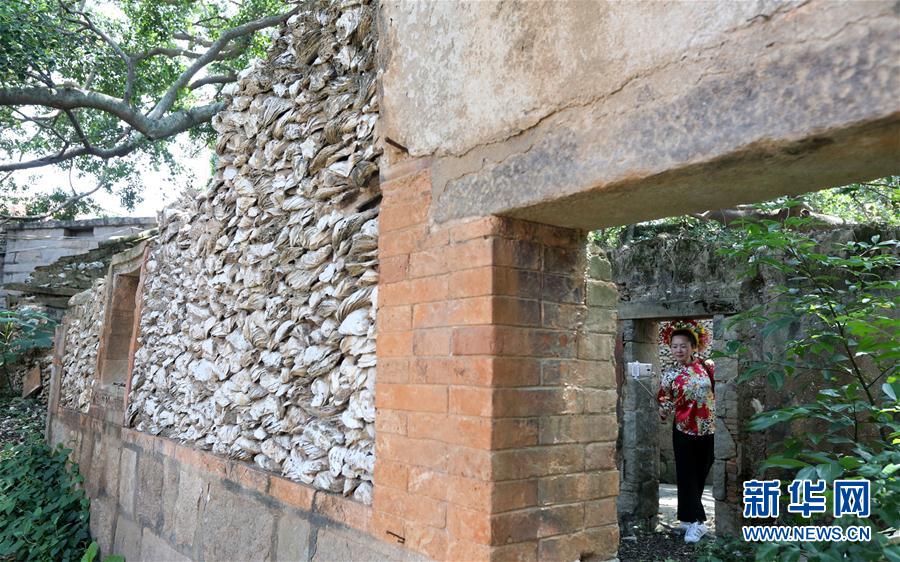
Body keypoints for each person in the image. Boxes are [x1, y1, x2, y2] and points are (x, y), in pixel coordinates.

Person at [657, 319, 715, 544]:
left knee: (699, 475)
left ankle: (687, 517)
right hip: (683, 430)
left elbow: (717, 391)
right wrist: (663, 411)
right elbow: (666, 400)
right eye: (674, 346)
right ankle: (697, 522)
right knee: (686, 476)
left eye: (683, 346)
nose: (678, 350)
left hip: (709, 429)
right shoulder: (669, 375)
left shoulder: (707, 367)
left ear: (693, 347)